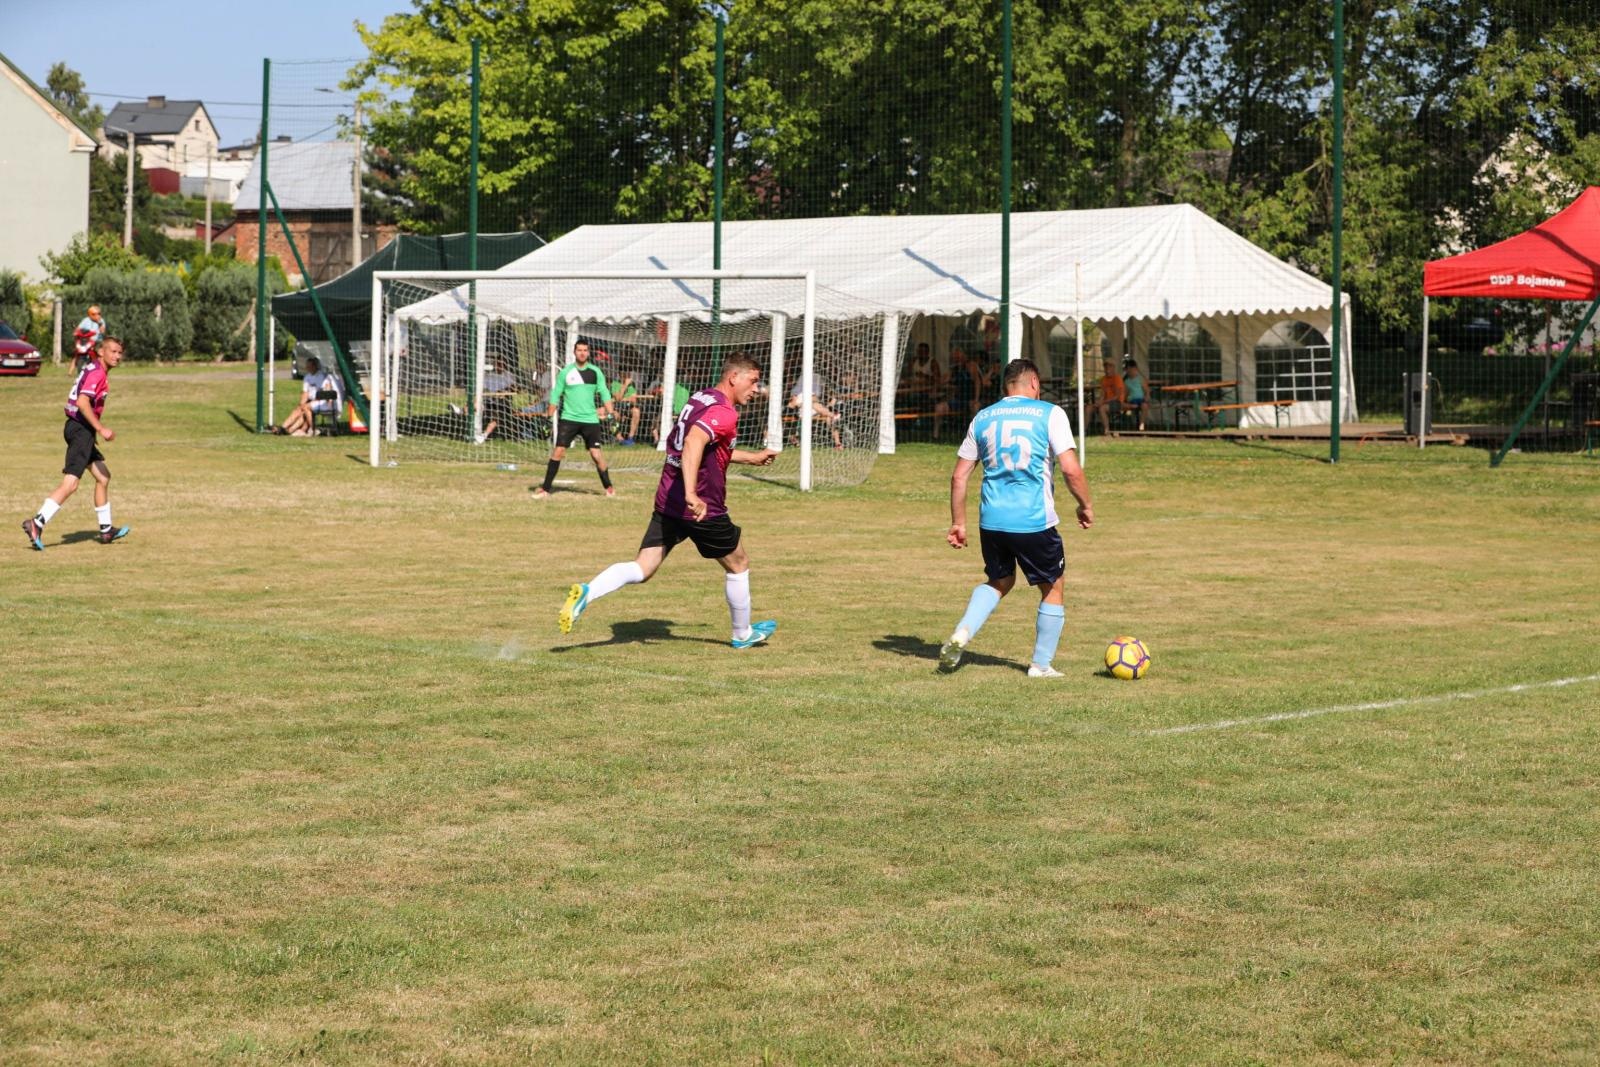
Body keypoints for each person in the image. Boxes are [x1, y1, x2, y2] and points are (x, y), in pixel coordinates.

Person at [558, 353, 780, 647]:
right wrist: (692, 493)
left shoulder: (701, 398)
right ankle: (742, 634)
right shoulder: (725, 412)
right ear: (733, 377)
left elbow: (701, 446)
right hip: (701, 507)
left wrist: (750, 458)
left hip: (669, 499)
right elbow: (692, 443)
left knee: (642, 568)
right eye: (753, 381)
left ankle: (588, 591)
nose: (755, 389)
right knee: (738, 563)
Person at [939, 357, 1093, 678]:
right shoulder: (1050, 413)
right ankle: (1040, 665)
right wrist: (1085, 505)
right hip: (1033, 519)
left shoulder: (983, 417)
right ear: (1034, 383)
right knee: (1053, 586)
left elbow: (959, 477)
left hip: (991, 521)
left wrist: (958, 522)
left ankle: (963, 632)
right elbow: (1070, 468)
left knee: (1001, 580)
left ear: (1005, 386)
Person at [22, 336, 131, 549]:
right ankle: (37, 522)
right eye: (113, 351)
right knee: (71, 484)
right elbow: (82, 402)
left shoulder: (93, 368)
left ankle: (106, 530)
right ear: (101, 352)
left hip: (80, 429)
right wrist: (100, 428)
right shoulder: (98, 373)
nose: (117, 356)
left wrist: (93, 431)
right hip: (80, 430)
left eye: (120, 352)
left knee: (103, 476)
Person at [533, 340, 616, 499]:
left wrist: (611, 415)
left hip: (590, 420)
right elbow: (556, 394)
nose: (582, 353)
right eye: (579, 350)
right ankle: (545, 489)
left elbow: (605, 393)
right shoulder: (566, 372)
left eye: (585, 350)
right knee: (558, 452)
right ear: (574, 352)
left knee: (596, 455)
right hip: (569, 418)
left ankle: (609, 487)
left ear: (589, 352)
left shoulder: (595, 372)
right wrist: (548, 418)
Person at [274, 356, 342, 436]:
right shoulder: (307, 377)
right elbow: (305, 393)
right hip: (312, 401)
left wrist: (306, 404)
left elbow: (323, 394)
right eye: (307, 366)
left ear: (314, 366)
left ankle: (312, 429)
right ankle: (285, 429)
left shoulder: (321, 377)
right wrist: (301, 403)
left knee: (305, 408)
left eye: (309, 366)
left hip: (321, 401)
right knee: (299, 409)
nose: (307, 368)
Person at [787, 365, 843, 449]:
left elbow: (817, 398)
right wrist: (803, 403)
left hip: (815, 409)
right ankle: (833, 415)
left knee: (827, 416)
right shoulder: (797, 390)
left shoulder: (814, 385)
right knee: (814, 405)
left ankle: (838, 444)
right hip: (803, 411)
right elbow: (792, 404)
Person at [478, 357, 518, 442]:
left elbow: (515, 389)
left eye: (502, 364)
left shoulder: (509, 376)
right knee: (476, 406)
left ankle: (484, 435)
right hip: (488, 400)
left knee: (496, 415)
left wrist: (505, 391)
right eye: (498, 364)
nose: (500, 366)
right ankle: (462, 411)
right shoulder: (488, 376)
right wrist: (492, 394)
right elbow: (483, 389)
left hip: (502, 402)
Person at [1088, 358, 1128, 435]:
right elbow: (1102, 394)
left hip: (1117, 403)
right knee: (1088, 407)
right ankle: (1085, 431)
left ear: (1113, 368)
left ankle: (1107, 430)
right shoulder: (1103, 379)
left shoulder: (1117, 379)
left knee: (1102, 408)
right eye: (1106, 367)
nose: (1107, 369)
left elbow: (1117, 396)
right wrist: (1099, 401)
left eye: (1109, 367)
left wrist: (1103, 402)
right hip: (1105, 402)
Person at [70, 305, 105, 374]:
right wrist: (76, 332)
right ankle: (70, 372)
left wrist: (99, 324)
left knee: (99, 354)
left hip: (97, 341)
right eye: (95, 314)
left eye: (99, 314)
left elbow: (102, 331)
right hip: (87, 340)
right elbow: (78, 328)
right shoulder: (86, 320)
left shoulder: (101, 321)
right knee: (77, 352)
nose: (97, 316)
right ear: (90, 314)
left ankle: (100, 370)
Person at [1122, 356, 1148, 431]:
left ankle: (1142, 423)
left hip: (1141, 400)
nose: (1131, 372)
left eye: (1132, 369)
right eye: (1129, 370)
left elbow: (1146, 390)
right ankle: (1129, 424)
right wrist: (1124, 400)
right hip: (1131, 400)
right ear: (1126, 370)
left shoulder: (1140, 379)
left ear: (1136, 369)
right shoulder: (1126, 381)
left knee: (1145, 406)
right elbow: (1125, 393)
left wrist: (1147, 396)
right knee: (1128, 407)